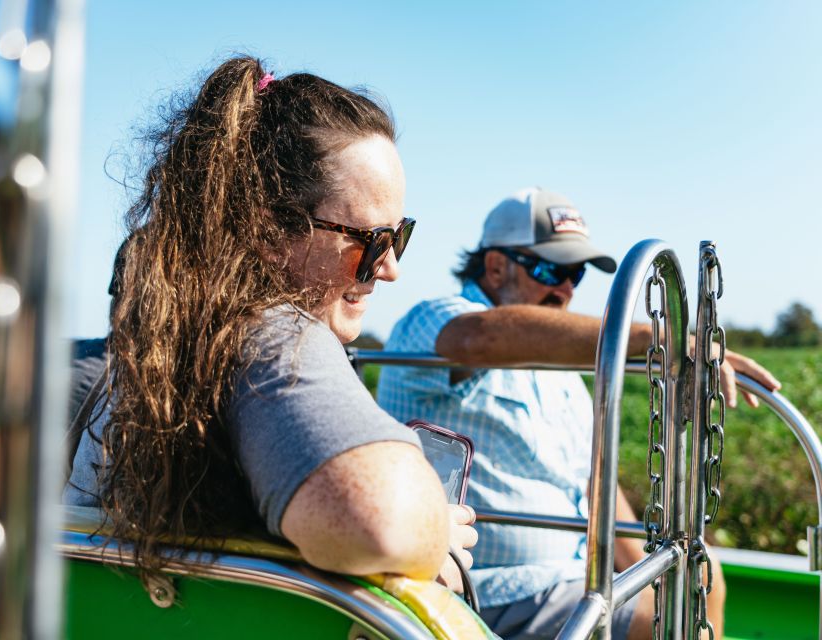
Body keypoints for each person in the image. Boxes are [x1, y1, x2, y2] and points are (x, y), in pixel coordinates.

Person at [63, 57, 477, 593]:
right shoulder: (271, 336)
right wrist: (434, 529)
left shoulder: (178, 341)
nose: (391, 268)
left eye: (399, 236)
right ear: (265, 226)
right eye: (371, 240)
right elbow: (382, 523)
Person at [376, 187, 781, 639]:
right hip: (476, 588)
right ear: (495, 266)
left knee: (699, 583)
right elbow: (477, 339)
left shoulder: (563, 373)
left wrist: (651, 568)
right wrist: (660, 338)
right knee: (660, 621)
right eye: (553, 269)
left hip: (564, 583)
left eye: (577, 274)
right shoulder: (435, 319)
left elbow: (592, 485)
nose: (565, 288)